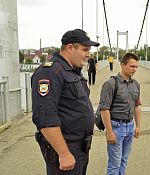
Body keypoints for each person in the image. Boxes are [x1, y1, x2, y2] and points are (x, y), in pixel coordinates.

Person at [31, 29, 99, 175]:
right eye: (85, 49)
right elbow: (45, 117)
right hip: (66, 148)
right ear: (70, 48)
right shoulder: (49, 71)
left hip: (79, 148)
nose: (88, 54)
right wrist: (64, 153)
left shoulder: (72, 71)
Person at [98, 53, 141, 175]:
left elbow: (137, 105)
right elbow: (104, 109)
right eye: (132, 66)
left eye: (136, 67)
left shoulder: (136, 84)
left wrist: (137, 126)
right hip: (116, 127)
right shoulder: (111, 83)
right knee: (114, 164)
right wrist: (109, 131)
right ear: (122, 65)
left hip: (130, 126)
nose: (134, 69)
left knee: (123, 160)